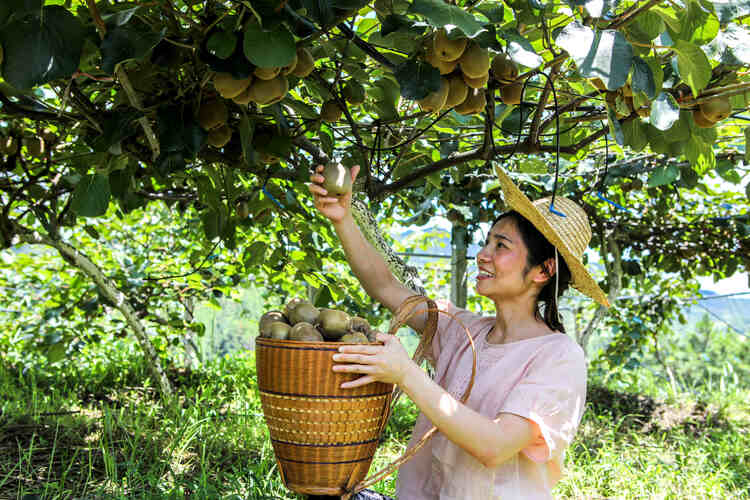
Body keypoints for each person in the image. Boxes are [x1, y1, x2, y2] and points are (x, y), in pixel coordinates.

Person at [307, 164, 609, 500]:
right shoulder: (465, 330)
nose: (482, 256)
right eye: (486, 243)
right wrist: (342, 218)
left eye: (501, 246)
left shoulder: (559, 357)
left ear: (543, 270)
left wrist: (406, 374)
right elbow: (385, 286)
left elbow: (495, 445)